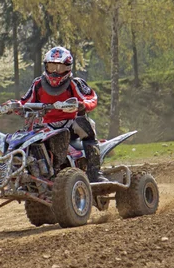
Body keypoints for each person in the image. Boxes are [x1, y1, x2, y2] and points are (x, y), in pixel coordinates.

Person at [12, 46, 107, 182]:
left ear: (68, 68)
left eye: (60, 68)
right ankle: (31, 173)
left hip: (71, 124)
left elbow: (91, 97)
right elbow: (25, 101)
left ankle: (95, 172)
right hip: (47, 127)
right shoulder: (38, 84)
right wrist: (13, 106)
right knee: (27, 136)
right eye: (52, 67)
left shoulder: (75, 83)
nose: (55, 72)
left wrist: (83, 105)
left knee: (84, 124)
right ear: (46, 66)